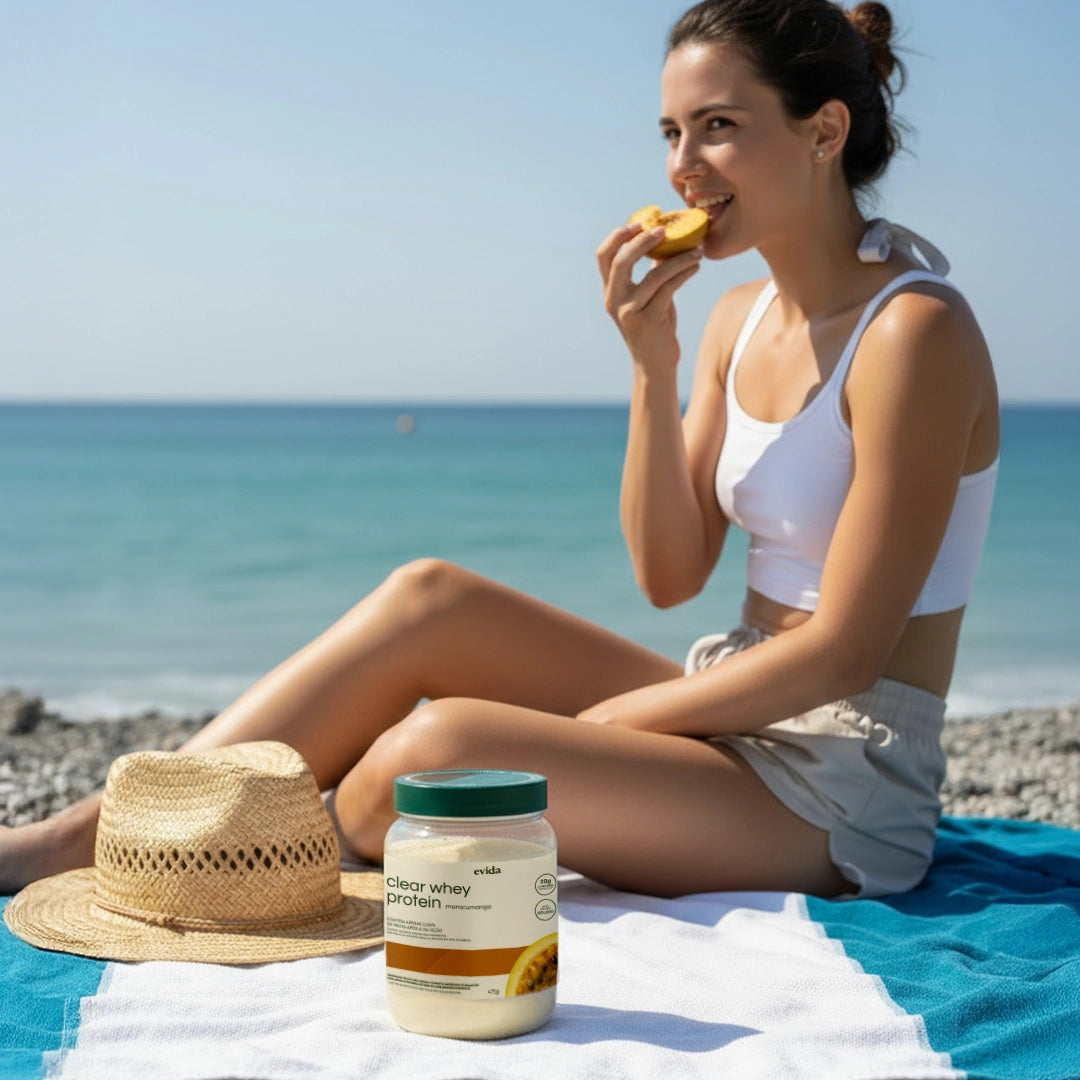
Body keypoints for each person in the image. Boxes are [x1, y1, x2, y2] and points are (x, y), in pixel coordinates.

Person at [1, 0, 998, 902]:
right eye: (671, 132)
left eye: (720, 127)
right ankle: (100, 834)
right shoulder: (739, 317)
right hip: (735, 699)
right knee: (429, 598)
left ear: (823, 131)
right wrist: (652, 364)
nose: (682, 166)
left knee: (435, 751)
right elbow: (668, 574)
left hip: (841, 779)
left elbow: (845, 653)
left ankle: (244, 851)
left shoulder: (913, 333)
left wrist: (604, 730)